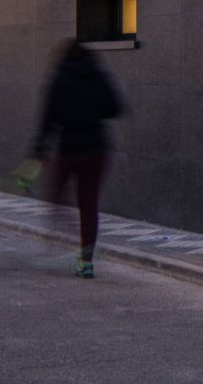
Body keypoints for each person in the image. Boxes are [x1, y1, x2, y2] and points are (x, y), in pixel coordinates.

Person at [30, 38, 124, 278]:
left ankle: (63, 237)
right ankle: (86, 261)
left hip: (70, 148)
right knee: (89, 204)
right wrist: (92, 111)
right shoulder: (98, 74)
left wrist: (40, 149)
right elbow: (115, 107)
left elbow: (48, 117)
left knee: (57, 196)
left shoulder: (59, 77)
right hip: (97, 148)